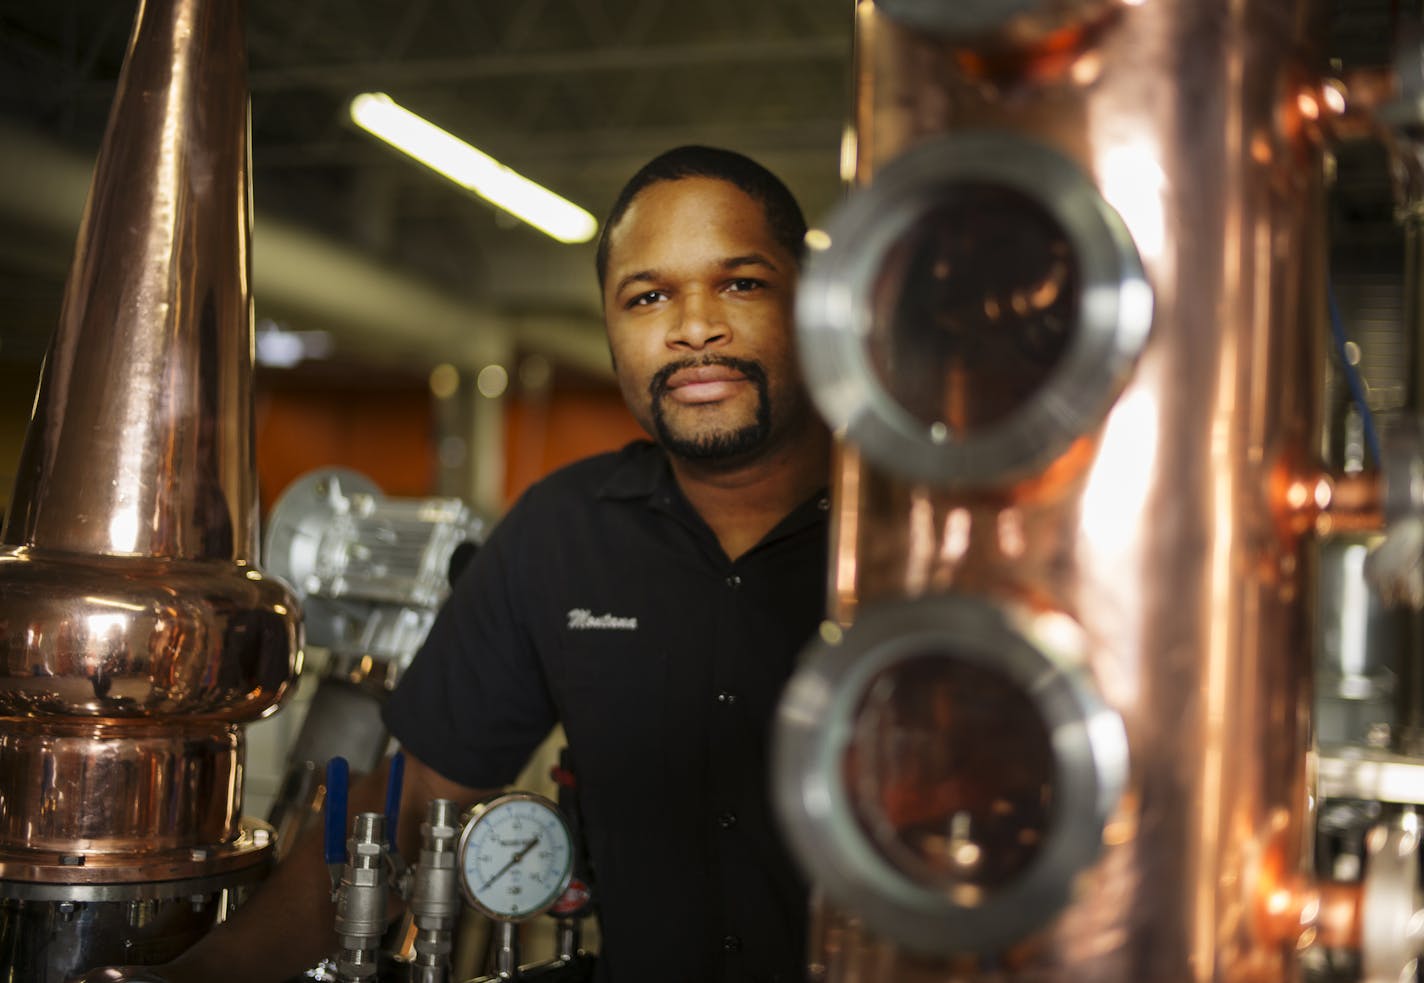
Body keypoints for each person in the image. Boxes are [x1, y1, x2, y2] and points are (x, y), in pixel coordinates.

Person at [157, 145, 830, 983]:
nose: (694, 326)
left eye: (741, 283)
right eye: (648, 295)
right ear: (614, 327)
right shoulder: (562, 535)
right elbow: (397, 812)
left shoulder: (925, 532)